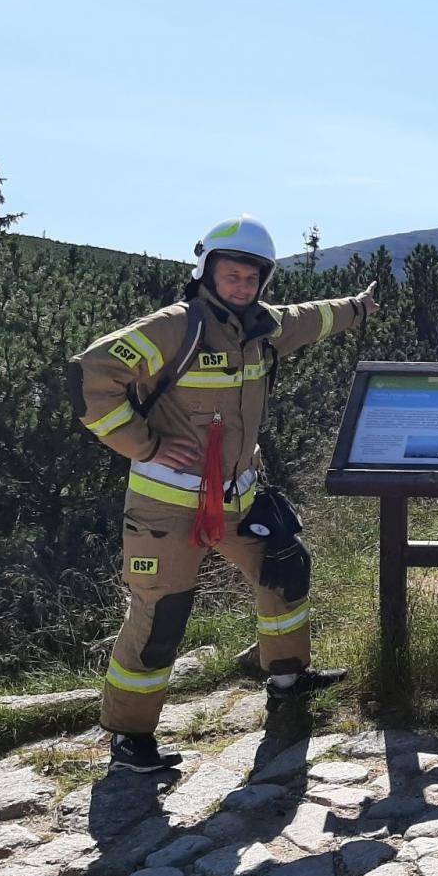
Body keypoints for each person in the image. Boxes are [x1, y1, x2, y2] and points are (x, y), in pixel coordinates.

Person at [69, 214, 378, 772]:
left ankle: (286, 677)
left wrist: (358, 306)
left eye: (251, 277)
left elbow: (311, 319)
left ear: (263, 281)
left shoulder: (263, 327)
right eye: (230, 274)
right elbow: (91, 372)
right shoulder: (175, 327)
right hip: (168, 504)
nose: (241, 285)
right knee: (160, 616)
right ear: (207, 270)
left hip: (240, 493)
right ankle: (128, 737)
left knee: (285, 572)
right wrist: (144, 445)